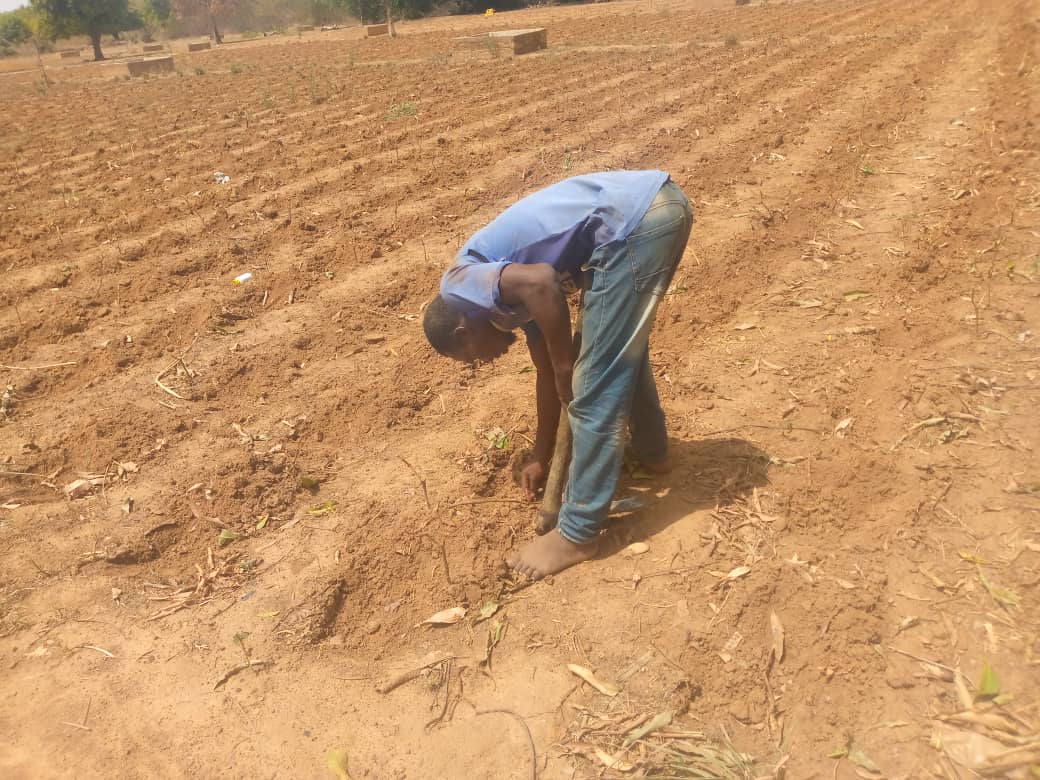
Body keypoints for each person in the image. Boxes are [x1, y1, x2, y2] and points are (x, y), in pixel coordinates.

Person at [423, 170, 693, 579]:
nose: (486, 363)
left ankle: (577, 533)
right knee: (613, 355)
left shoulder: (459, 285)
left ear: (464, 331)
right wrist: (541, 455)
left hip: (633, 223)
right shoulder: (506, 302)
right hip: (653, 210)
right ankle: (652, 453)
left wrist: (570, 367)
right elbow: (546, 372)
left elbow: (544, 283)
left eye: (474, 359)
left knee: (592, 378)